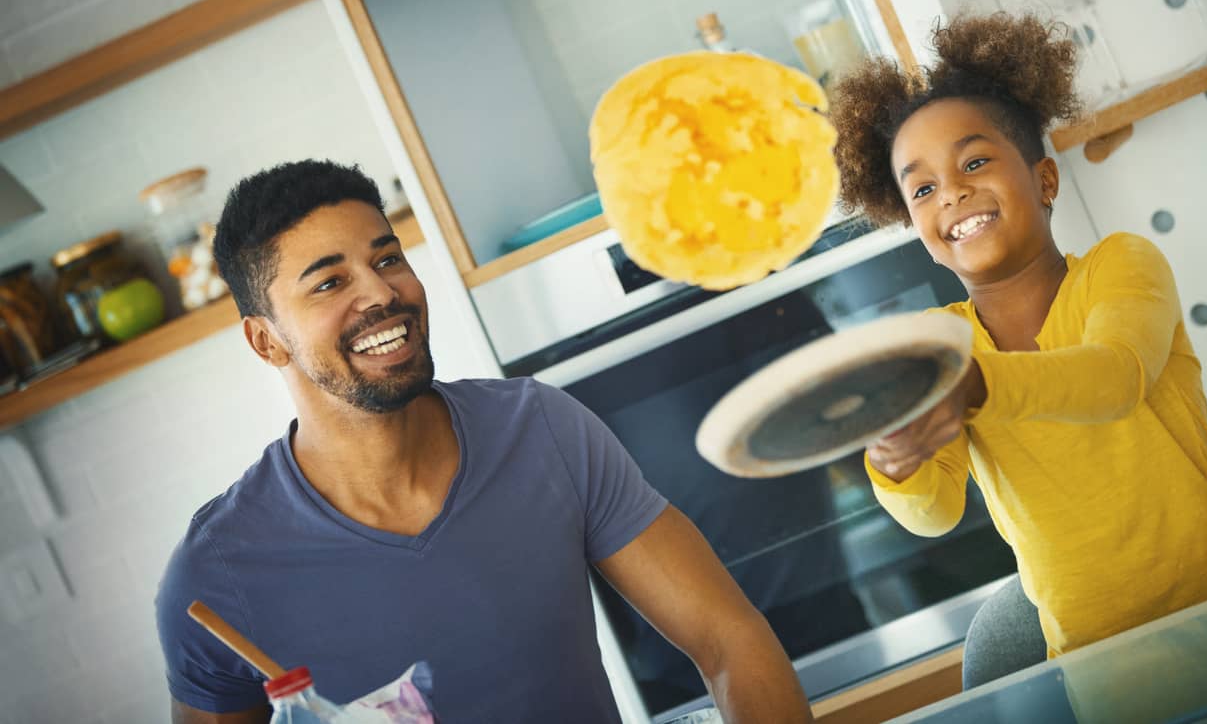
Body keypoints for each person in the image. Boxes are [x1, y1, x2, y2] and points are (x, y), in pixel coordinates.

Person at [154, 160, 812, 723]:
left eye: (387, 259)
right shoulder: (218, 577)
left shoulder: (541, 430)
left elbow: (728, 637)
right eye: (330, 282)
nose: (382, 292)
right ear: (265, 340)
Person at [826, 12, 1207, 680]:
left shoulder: (1120, 267)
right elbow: (934, 515)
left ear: (1045, 181)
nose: (952, 192)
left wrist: (979, 386)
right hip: (1099, 677)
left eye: (974, 161)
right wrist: (895, 461)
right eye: (922, 188)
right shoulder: (941, 346)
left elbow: (1112, 379)